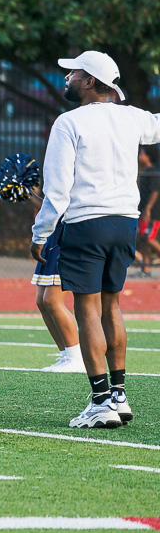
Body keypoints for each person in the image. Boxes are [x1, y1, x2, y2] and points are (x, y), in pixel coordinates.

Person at [32, 51, 160, 429]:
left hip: (86, 223)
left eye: (73, 72)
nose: (67, 77)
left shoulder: (68, 122)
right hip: (125, 223)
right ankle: (119, 396)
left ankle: (101, 401)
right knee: (112, 307)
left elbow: (57, 190)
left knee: (87, 310)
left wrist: (40, 233)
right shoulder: (131, 116)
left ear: (90, 81)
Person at [28, 188, 82, 372]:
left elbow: (60, 205)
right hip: (51, 234)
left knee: (52, 300)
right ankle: (66, 355)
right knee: (42, 301)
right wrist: (27, 193)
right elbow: (49, 206)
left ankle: (77, 358)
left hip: (66, 235)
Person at [136, 145, 160, 273]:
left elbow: (155, 191)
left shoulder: (153, 172)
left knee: (148, 238)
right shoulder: (144, 172)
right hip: (142, 212)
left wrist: (148, 208)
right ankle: (145, 269)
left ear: (149, 156)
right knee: (143, 241)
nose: (139, 155)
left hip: (152, 214)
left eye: (142, 153)